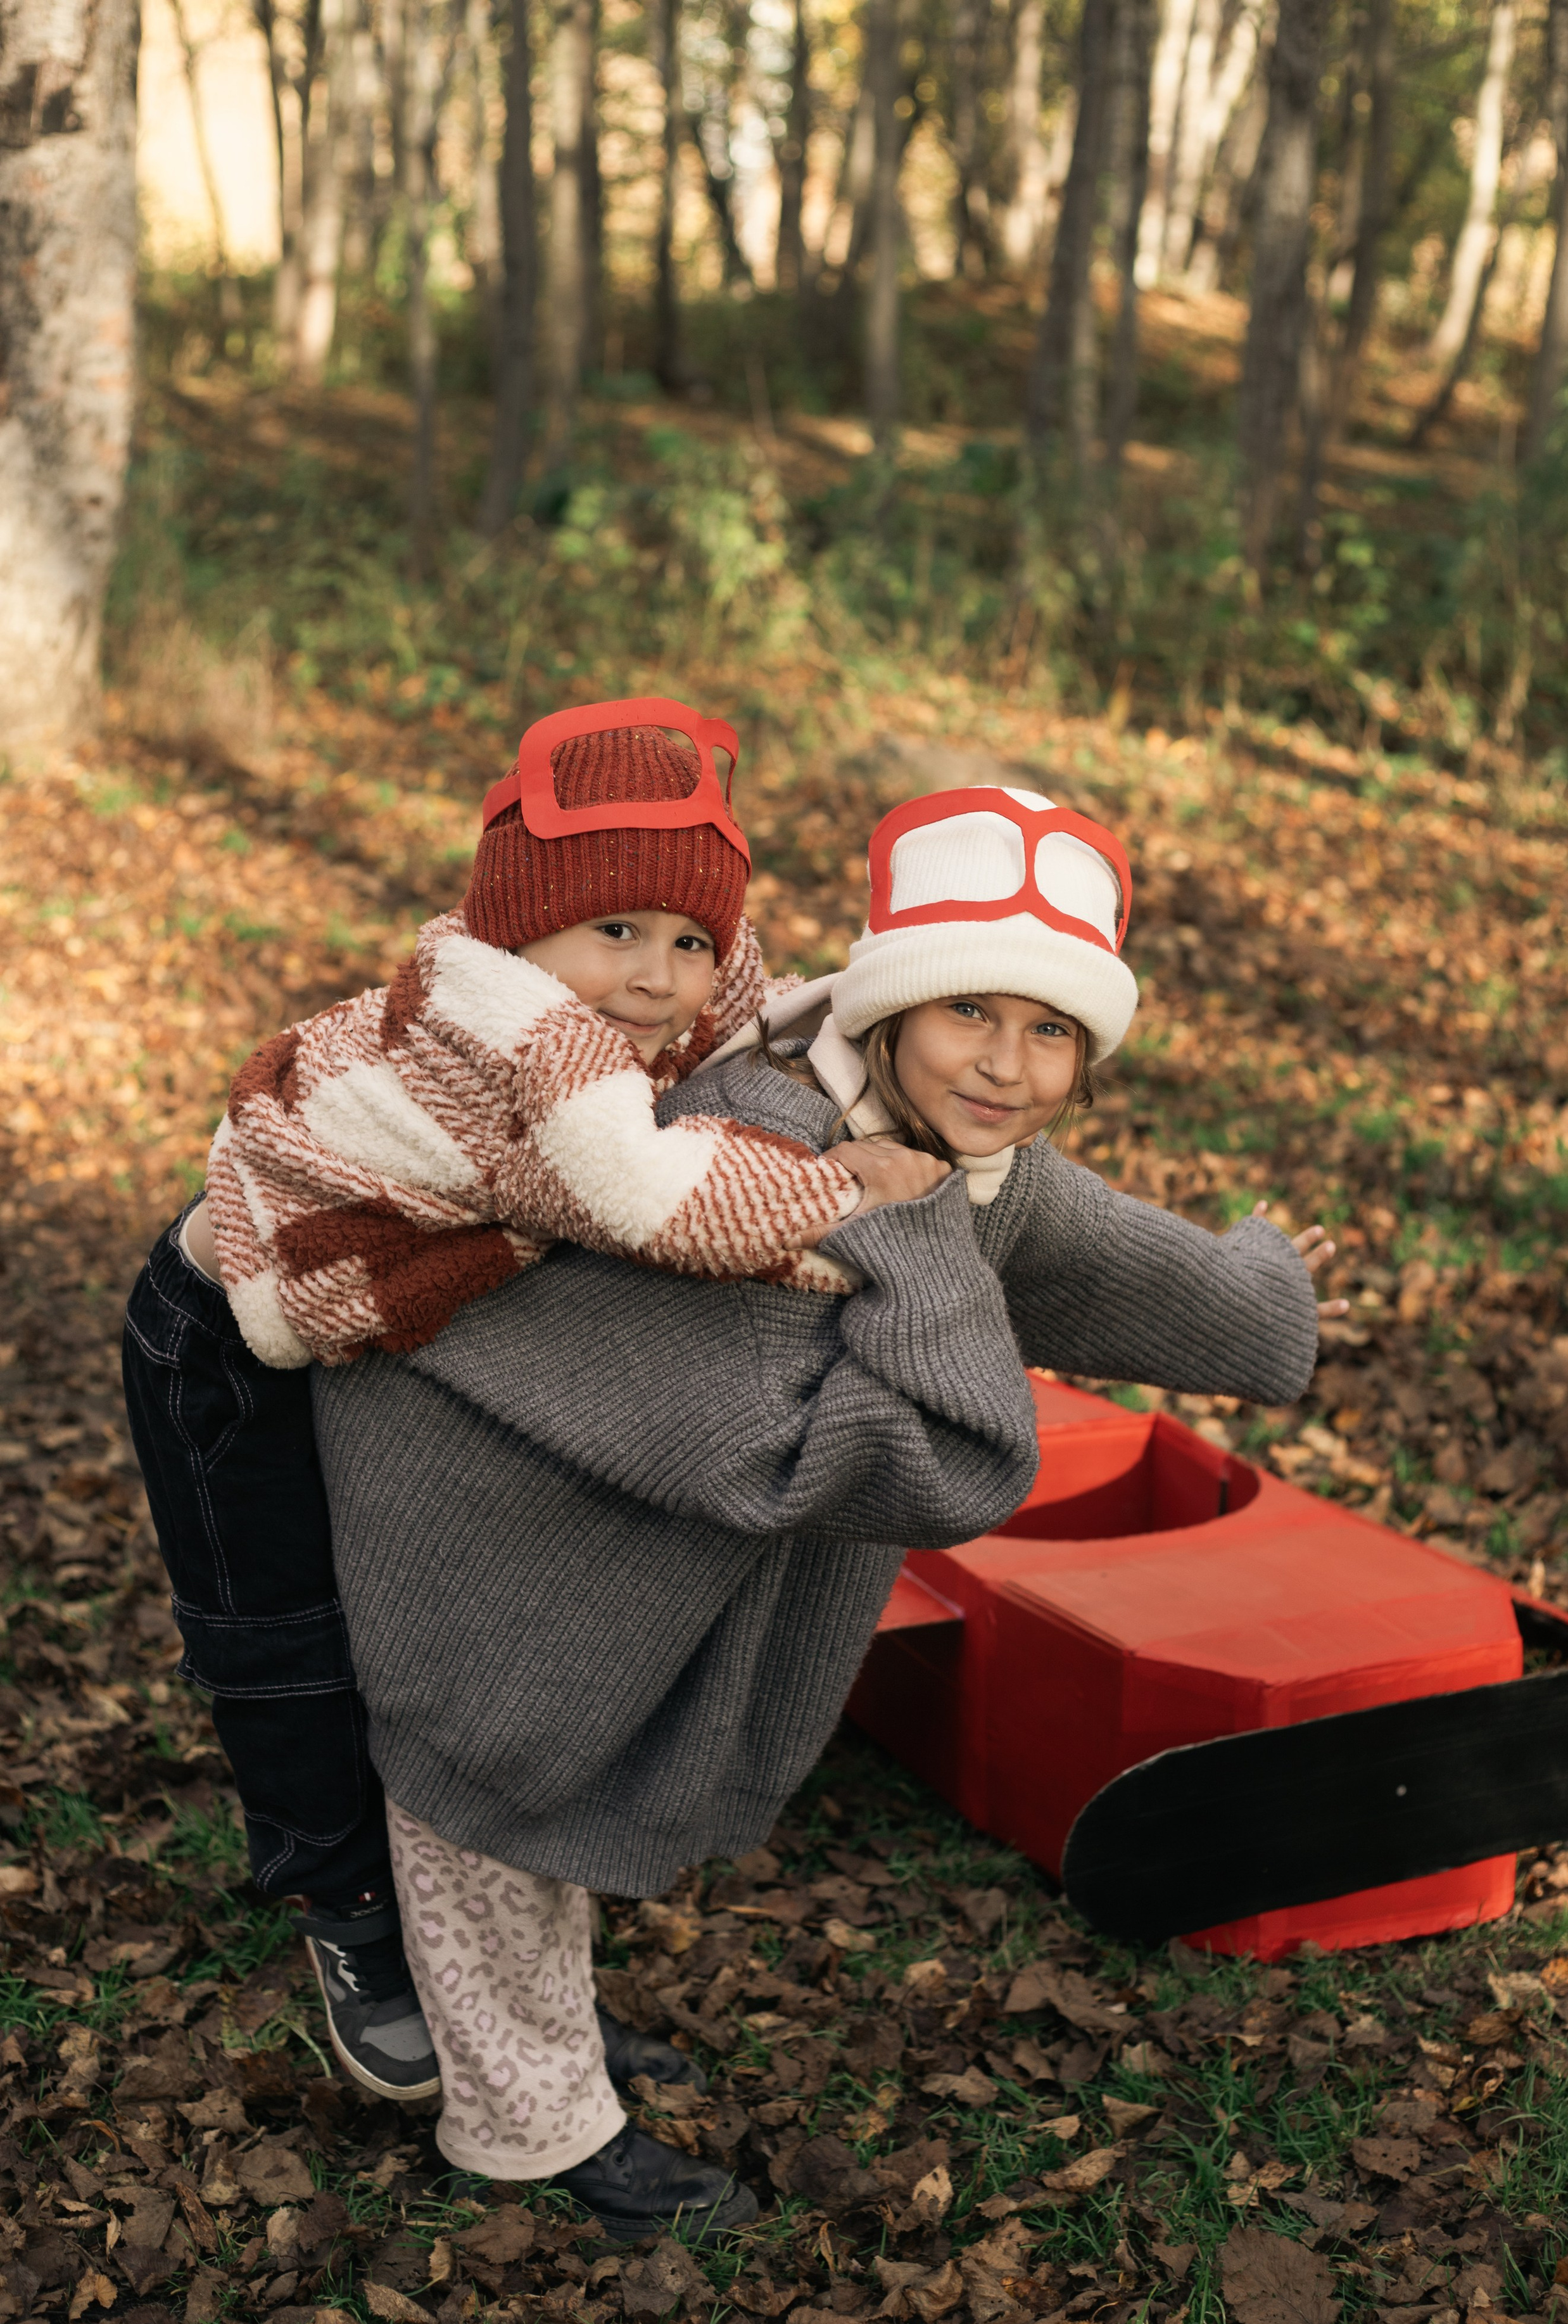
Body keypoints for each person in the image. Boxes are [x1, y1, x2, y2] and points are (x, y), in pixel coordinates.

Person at [309, 781, 1343, 2240]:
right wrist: (905, 1235)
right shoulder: (770, 1159)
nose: (1005, 1065)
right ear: (891, 1007)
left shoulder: (912, 1127)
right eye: (970, 1016)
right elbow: (931, 1449)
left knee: (544, 1815)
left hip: (597, 1520)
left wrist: (1258, 1306)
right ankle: (528, 2134)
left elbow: (1062, 1237)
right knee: (495, 1797)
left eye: (1050, 1032)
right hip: (478, 1488)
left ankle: (540, 2046)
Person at [121, 699, 937, 2111]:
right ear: (521, 933)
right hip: (222, 1334)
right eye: (613, 933)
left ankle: (471, 1965)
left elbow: (752, 1005)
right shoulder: (524, 1045)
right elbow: (654, 1197)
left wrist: (875, 1013)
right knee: (283, 1633)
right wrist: (841, 1189)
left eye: (682, 941)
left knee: (391, 1616)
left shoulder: (658, 979)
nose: (654, 977)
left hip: (384, 1296)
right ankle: (351, 1920)